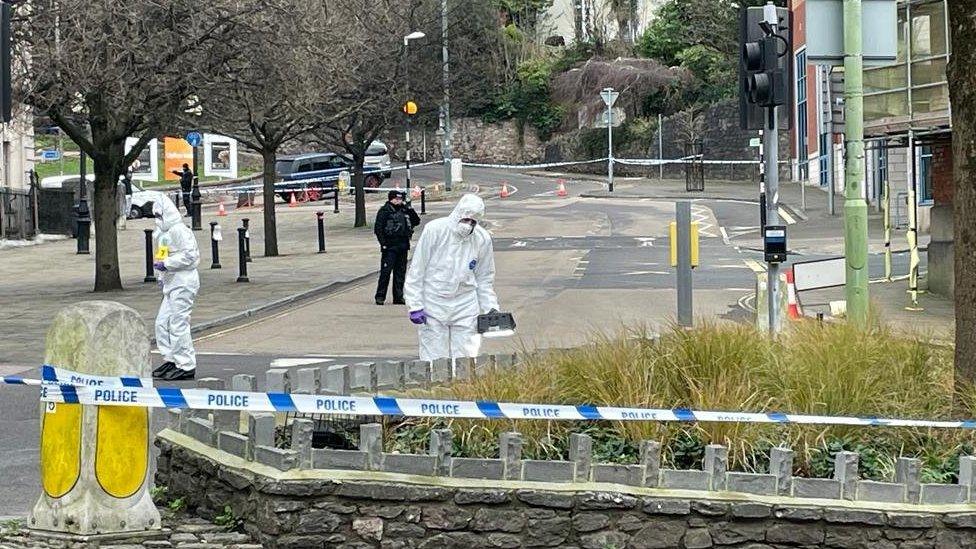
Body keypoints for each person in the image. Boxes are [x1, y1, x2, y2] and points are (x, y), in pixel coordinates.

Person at [404, 193, 499, 363]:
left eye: (473, 222)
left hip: (465, 304)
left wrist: (490, 307)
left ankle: (461, 389)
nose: (468, 225)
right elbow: (417, 271)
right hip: (434, 301)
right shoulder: (435, 231)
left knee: (467, 356)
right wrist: (415, 304)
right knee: (433, 358)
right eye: (465, 219)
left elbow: (484, 278)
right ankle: (435, 388)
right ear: (457, 214)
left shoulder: (481, 239)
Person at [150, 194, 200, 381]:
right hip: (171, 283)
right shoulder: (163, 234)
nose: (158, 220)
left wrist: (168, 264)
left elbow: (191, 256)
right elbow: (162, 257)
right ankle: (172, 359)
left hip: (184, 281)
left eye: (160, 216)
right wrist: (161, 274)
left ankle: (186, 364)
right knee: (162, 323)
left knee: (178, 324)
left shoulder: (179, 230)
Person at [374, 189, 421, 305]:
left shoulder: (405, 210)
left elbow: (416, 221)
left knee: (400, 273)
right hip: (390, 246)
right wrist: (383, 244)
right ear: (391, 199)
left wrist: (410, 208)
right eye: (397, 199)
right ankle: (380, 296)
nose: (399, 201)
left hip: (403, 245)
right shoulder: (385, 211)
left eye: (400, 199)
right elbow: (378, 228)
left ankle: (398, 296)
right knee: (386, 272)